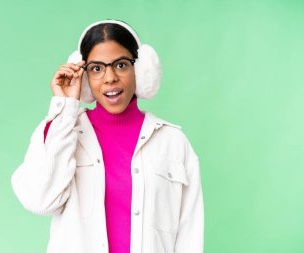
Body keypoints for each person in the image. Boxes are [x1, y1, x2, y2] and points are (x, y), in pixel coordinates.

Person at [11, 19, 204, 253]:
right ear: (84, 77)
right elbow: (40, 200)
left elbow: (189, 236)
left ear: (142, 70)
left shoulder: (173, 143)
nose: (110, 77)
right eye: (96, 68)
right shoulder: (63, 130)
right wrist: (66, 106)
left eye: (121, 65)